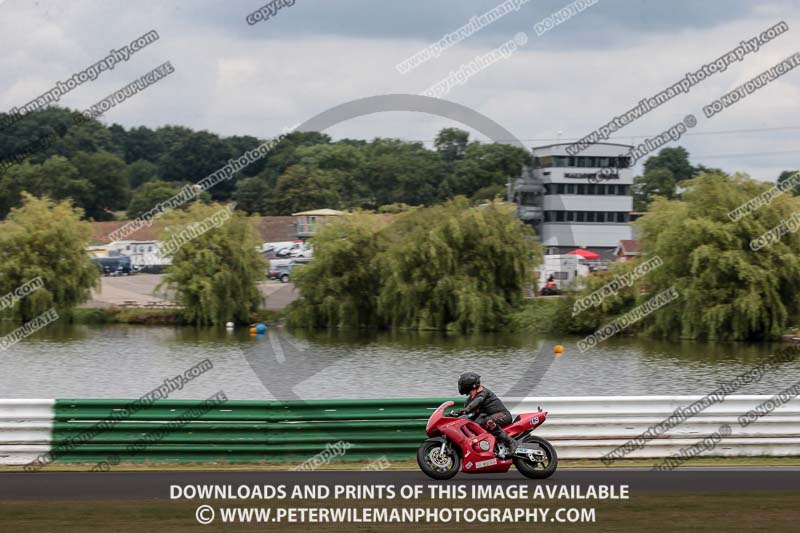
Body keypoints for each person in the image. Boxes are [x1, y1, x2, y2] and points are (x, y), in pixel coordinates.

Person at [452, 372, 517, 456]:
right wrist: (454, 416)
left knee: (487, 422)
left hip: (503, 415)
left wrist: (466, 410)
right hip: (490, 417)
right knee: (471, 424)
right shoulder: (469, 400)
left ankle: (511, 441)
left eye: (461, 384)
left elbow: (477, 401)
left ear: (468, 384)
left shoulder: (483, 392)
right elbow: (468, 414)